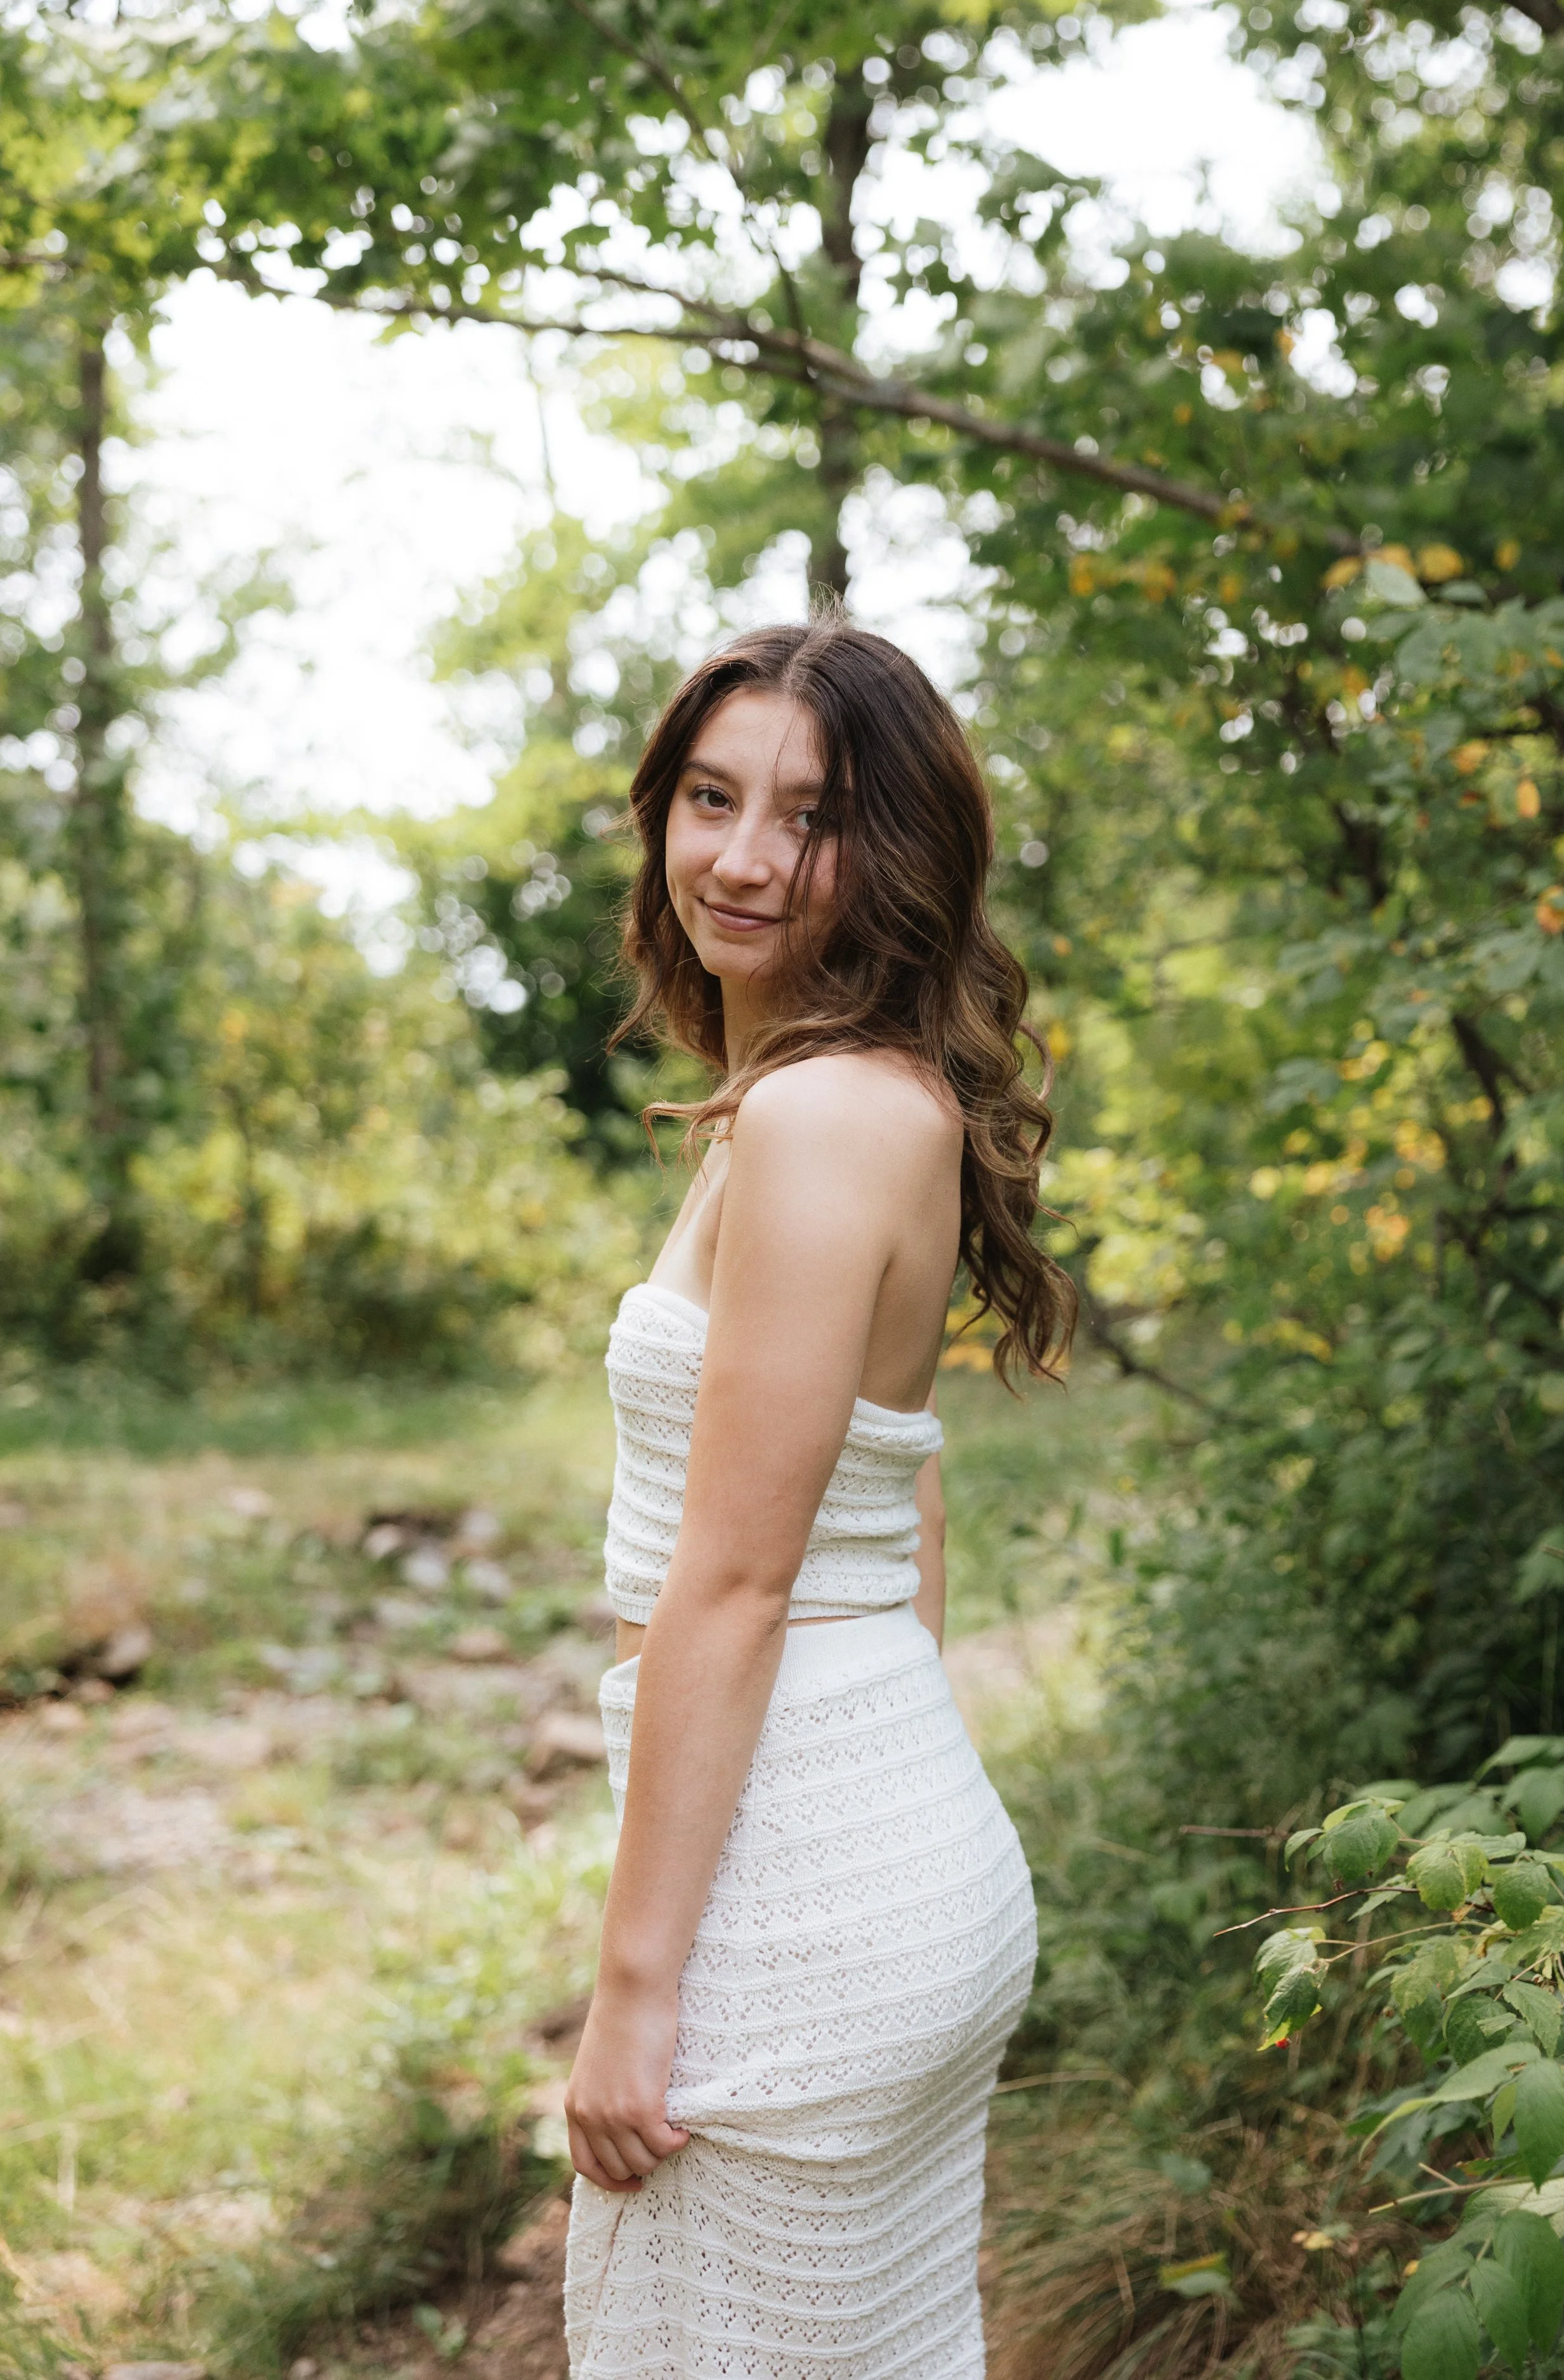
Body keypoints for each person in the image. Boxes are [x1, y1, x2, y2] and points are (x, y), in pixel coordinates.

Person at [562, 619, 1075, 2378]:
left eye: (811, 814)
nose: (744, 855)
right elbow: (905, 1501)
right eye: (710, 797)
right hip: (864, 1845)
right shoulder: (837, 1100)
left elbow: (733, 1585)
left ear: (901, 851)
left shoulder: (812, 1122)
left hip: (805, 1903)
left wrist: (634, 1992)